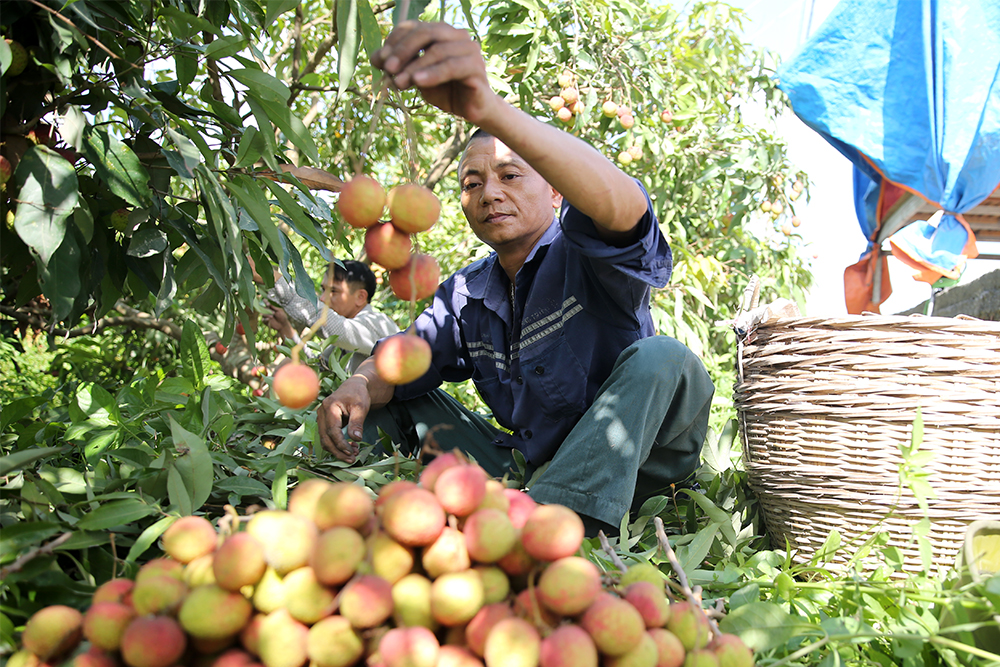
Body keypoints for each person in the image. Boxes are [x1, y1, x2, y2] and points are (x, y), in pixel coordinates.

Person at [317, 22, 715, 535]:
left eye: (510, 175)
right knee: (390, 390)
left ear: (555, 193)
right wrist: (358, 382)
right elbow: (402, 358)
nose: (489, 194)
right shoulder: (466, 295)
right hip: (534, 473)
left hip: (639, 474)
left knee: (665, 357)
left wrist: (491, 111)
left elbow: (625, 208)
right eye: (472, 183)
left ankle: (547, 529)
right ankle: (346, 507)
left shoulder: (585, 250)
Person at [265, 260, 399, 374]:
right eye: (324, 290)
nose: (323, 298)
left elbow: (339, 330)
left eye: (333, 291)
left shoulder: (376, 323)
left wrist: (278, 282)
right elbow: (315, 368)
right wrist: (284, 327)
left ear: (360, 297)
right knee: (289, 364)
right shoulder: (339, 345)